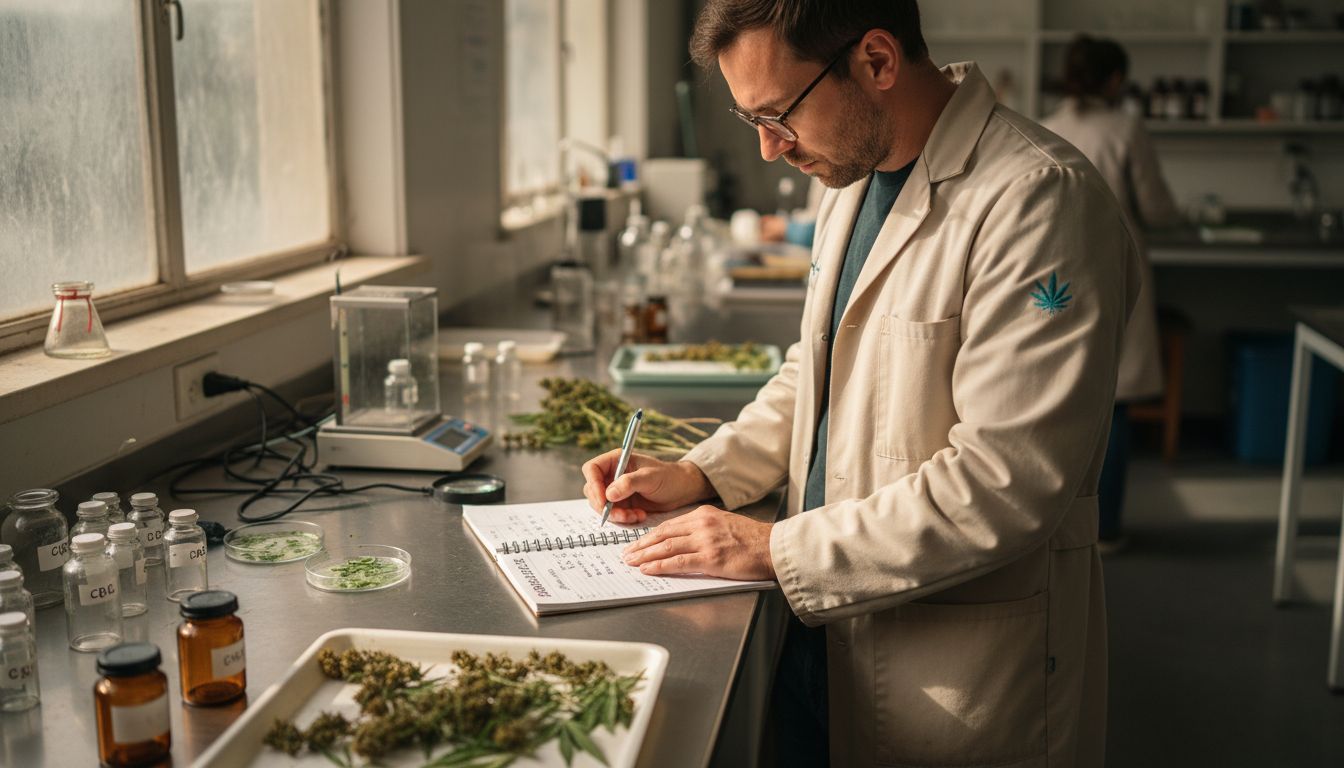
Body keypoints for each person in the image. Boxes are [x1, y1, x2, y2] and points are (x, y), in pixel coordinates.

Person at [580, 2, 1141, 765]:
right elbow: (815, 372)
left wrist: (776, 550)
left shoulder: (1038, 201)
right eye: (752, 120)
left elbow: (1008, 481)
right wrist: (702, 471)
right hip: (820, 645)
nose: (771, 150)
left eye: (777, 115)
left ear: (876, 61)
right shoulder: (848, 172)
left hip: (954, 672)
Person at [1042, 36, 1183, 548]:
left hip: (1054, 272)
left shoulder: (1046, 125)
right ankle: (1107, 530)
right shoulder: (1126, 127)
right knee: (1115, 400)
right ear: (1116, 80)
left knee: (1058, 393)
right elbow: (1156, 206)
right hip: (1114, 267)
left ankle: (1055, 522)